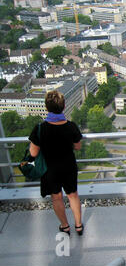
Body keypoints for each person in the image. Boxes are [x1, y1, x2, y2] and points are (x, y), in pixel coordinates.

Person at [28, 90, 84, 236]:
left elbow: (33, 153)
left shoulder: (40, 129)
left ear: (46, 108)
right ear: (64, 107)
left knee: (56, 197)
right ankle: (78, 225)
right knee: (73, 195)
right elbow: (77, 146)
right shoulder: (71, 126)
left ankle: (65, 226)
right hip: (68, 166)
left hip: (50, 168)